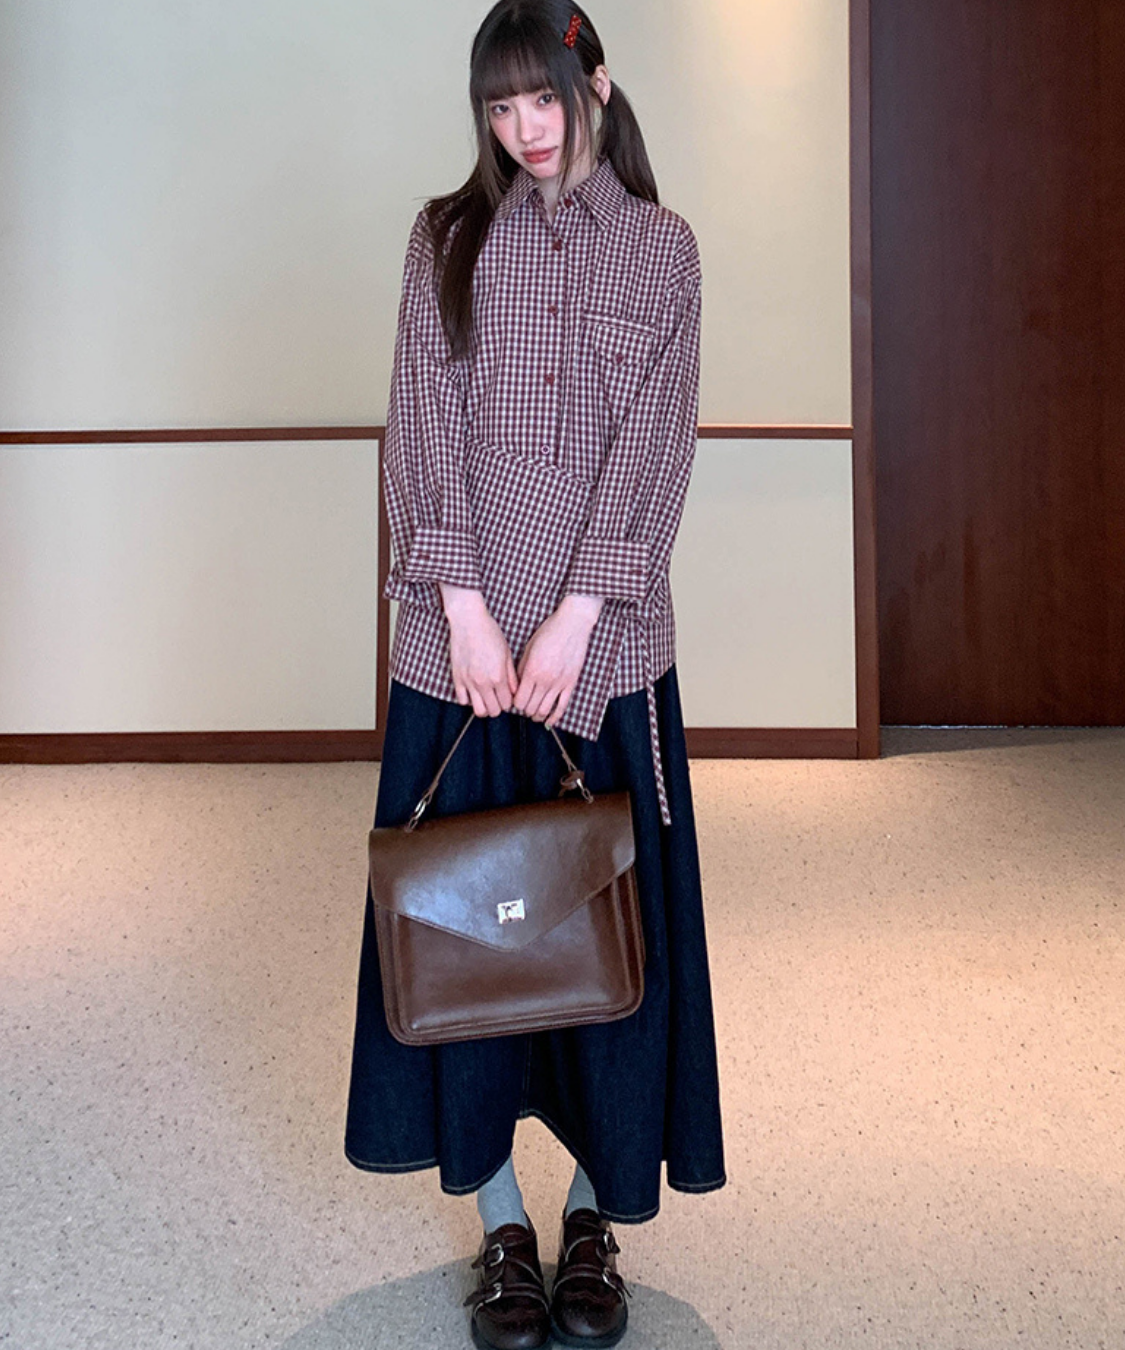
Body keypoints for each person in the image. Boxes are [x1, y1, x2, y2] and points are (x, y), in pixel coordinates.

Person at [344, 3, 726, 1346]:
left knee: (610, 951)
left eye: (542, 99)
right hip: (458, 654)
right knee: (469, 950)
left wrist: (574, 617)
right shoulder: (444, 237)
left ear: (594, 84)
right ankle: (501, 1221)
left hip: (603, 651)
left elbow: (658, 444)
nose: (523, 129)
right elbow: (422, 421)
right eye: (499, 108)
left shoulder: (664, 251)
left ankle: (590, 1221)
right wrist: (461, 604)